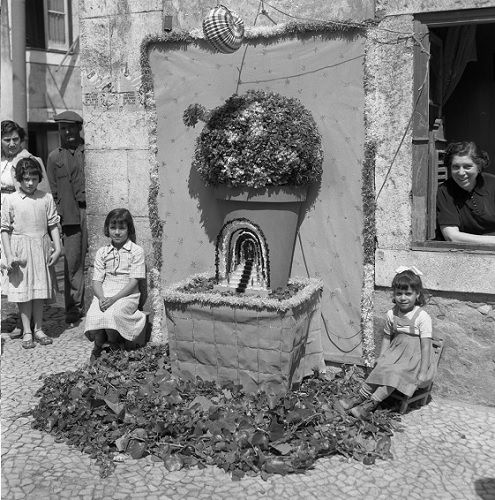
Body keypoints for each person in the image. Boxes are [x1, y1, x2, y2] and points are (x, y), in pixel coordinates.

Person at [339, 267, 436, 418]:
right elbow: (386, 337)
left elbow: (425, 346)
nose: (403, 298)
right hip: (396, 353)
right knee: (382, 366)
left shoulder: (422, 317)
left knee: (395, 373)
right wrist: (382, 356)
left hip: (414, 359)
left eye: (408, 293)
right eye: (399, 293)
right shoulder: (392, 314)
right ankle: (360, 396)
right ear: (394, 294)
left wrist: (423, 372)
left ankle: (371, 403)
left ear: (417, 295)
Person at [1, 157, 62, 349]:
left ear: (39, 179)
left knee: (38, 290)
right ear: (19, 179)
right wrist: (9, 255)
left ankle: (38, 328)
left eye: (34, 179)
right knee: (24, 293)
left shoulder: (46, 198)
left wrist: (58, 247)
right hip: (20, 251)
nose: (30, 183)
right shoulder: (10, 199)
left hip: (41, 248)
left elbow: (53, 225)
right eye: (26, 179)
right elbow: (4, 229)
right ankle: (27, 330)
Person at [1, 120, 52, 339]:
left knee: (24, 270)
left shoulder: (29, 161)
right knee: (10, 270)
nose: (11, 144)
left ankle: (30, 326)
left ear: (21, 139)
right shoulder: (1, 160)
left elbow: (42, 192)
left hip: (21, 219)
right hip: (4, 217)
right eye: (6, 140)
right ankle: (22, 321)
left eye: (15, 139)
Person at [84, 208, 147, 362]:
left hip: (127, 293)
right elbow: (97, 280)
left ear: (129, 229)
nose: (117, 232)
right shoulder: (102, 252)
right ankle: (98, 345)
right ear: (107, 229)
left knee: (114, 313)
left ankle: (114, 344)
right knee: (94, 314)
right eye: (113, 228)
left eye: (122, 228)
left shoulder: (136, 251)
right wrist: (101, 297)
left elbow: (134, 281)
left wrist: (114, 299)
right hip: (105, 292)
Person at [46, 111, 87, 324]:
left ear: (79, 128)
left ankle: (95, 305)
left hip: (90, 211)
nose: (67, 132)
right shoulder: (54, 157)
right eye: (62, 128)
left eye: (70, 127)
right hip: (69, 215)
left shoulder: (89, 151)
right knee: (72, 263)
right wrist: (57, 221)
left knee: (94, 259)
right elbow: (53, 192)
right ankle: (73, 308)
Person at [436, 141, 495, 245]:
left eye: (467, 166)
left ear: (479, 167)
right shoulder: (445, 191)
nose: (461, 173)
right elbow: (452, 237)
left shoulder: (492, 184)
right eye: (455, 167)